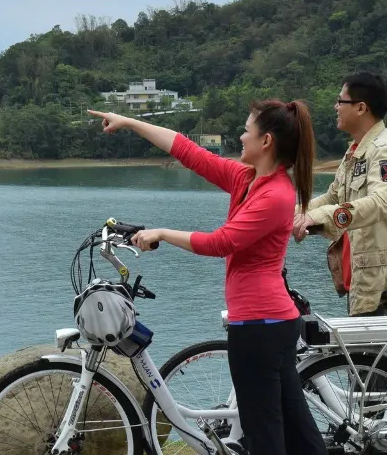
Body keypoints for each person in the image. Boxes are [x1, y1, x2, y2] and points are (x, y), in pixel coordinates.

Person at [88, 101, 327, 455]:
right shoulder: (248, 179)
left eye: (247, 130)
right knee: (297, 428)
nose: (241, 135)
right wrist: (129, 122)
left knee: (264, 433)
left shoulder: (276, 195)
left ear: (266, 142)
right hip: (269, 323)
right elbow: (188, 151)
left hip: (260, 326)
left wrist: (163, 232)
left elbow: (222, 242)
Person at [292, 71, 387, 316]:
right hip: (364, 278)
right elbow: (333, 196)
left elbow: (382, 202)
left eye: (341, 101)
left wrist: (325, 216)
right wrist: (295, 213)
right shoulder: (356, 151)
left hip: (384, 287)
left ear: (361, 108)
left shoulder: (385, 151)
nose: (335, 106)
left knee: (370, 354)